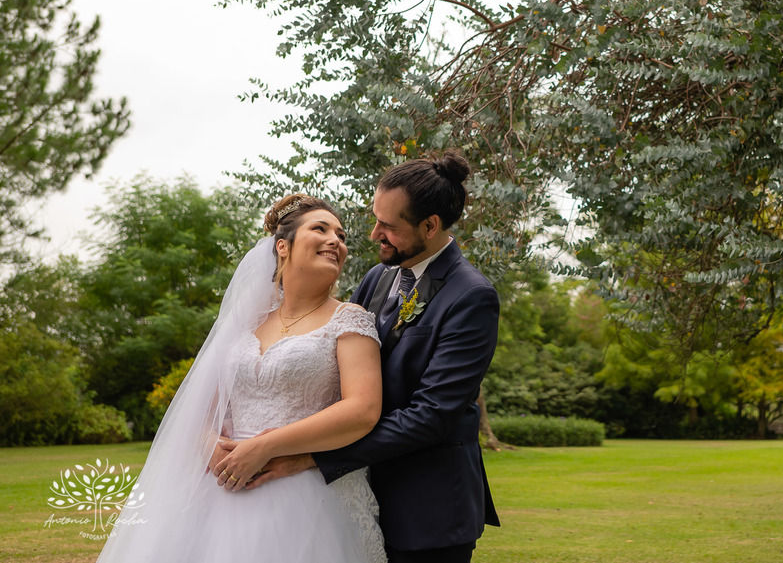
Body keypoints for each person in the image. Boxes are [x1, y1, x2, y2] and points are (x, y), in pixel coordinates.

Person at [240, 151, 501, 563]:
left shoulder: (471, 296)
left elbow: (432, 415)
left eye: (389, 226)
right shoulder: (378, 277)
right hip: (354, 497)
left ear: (430, 226)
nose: (374, 233)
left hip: (426, 509)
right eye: (375, 218)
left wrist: (312, 457)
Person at [97, 195, 387, 563]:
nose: (336, 241)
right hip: (221, 490)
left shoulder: (350, 318)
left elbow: (362, 410)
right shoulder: (246, 320)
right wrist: (210, 446)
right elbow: (200, 406)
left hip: (310, 496)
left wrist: (264, 447)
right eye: (321, 229)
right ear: (282, 246)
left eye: (341, 236)